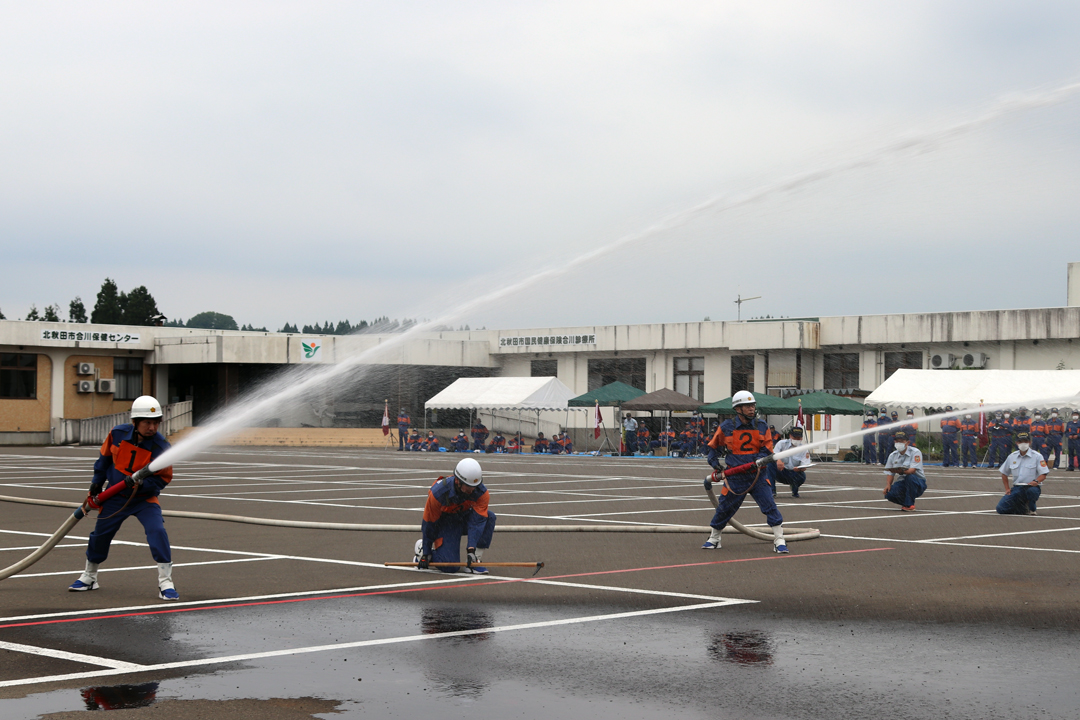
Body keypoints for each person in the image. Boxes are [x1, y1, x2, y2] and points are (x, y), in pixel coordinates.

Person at [68, 396, 178, 601]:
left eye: (156, 423)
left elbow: (164, 478)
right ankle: (90, 577)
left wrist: (143, 484)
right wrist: (95, 485)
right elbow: (103, 461)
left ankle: (165, 582)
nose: (152, 427)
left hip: (144, 500)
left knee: (157, 531)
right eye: (147, 422)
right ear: (135, 422)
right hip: (115, 496)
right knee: (100, 534)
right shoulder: (117, 434)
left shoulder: (161, 447)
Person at [701, 391, 788, 554]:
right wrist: (715, 464)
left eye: (753, 405)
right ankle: (714, 538)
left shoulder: (762, 426)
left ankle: (779, 540)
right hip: (735, 477)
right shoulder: (726, 427)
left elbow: (768, 448)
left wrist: (760, 459)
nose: (752, 408)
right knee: (724, 508)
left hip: (758, 476)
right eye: (748, 406)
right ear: (738, 409)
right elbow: (713, 448)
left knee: (770, 506)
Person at [414, 458, 495, 574]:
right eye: (468, 486)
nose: (473, 490)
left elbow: (477, 523)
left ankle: (474, 560)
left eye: (475, 486)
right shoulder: (438, 493)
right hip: (445, 524)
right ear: (458, 481)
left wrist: (471, 551)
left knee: (490, 517)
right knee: (451, 567)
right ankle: (421, 550)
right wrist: (426, 552)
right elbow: (429, 522)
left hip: (462, 519)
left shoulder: (481, 492)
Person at [996, 432, 1048, 516]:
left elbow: (1044, 473)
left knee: (1032, 492)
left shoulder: (1037, 456)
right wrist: (1007, 489)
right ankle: (1022, 508)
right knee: (1001, 509)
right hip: (1017, 487)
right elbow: (1004, 473)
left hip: (1031, 486)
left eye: (1025, 441)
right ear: (1017, 443)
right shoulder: (1012, 456)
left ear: (1029, 442)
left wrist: (1036, 481)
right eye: (1020, 442)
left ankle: (1031, 507)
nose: (1023, 444)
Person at [883, 431, 926, 512]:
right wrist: (888, 485)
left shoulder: (915, 452)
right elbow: (890, 473)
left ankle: (909, 504)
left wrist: (900, 471)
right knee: (889, 494)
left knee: (910, 478)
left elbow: (912, 471)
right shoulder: (893, 455)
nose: (899, 443)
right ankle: (907, 502)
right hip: (903, 482)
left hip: (917, 482)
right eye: (897, 441)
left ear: (907, 442)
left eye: (901, 441)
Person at [771, 426, 809, 498]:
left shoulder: (803, 449)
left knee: (802, 476)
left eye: (798, 438)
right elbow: (773, 454)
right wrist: (778, 460)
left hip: (793, 473)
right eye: (795, 438)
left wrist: (800, 468)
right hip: (781, 471)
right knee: (769, 465)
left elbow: (805, 464)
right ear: (790, 436)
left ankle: (795, 491)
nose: (796, 440)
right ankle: (772, 491)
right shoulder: (781, 444)